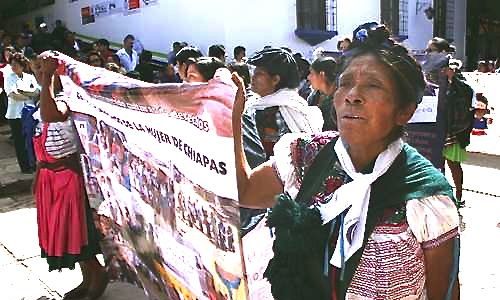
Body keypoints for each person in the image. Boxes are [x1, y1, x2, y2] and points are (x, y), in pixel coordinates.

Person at [231, 22, 460, 300]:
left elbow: (444, 292)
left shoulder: (425, 193)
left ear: (404, 111)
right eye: (346, 84)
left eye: (373, 86)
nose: (352, 96)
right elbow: (244, 192)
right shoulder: (306, 156)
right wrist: (230, 118)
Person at [37, 54, 109, 300]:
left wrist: (48, 76)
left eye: (43, 67)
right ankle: (87, 279)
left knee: (77, 231)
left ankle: (98, 275)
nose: (38, 72)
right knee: (66, 233)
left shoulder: (67, 98)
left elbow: (52, 116)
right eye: (36, 67)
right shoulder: (46, 97)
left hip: (69, 178)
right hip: (50, 178)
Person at [245, 47, 323, 158]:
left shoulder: (277, 111)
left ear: (275, 80)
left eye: (259, 73)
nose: (253, 77)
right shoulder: (257, 105)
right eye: (254, 72)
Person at [442, 58, 474, 207]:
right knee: (437, 166)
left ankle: (459, 197)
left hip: (454, 133)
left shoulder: (463, 87)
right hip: (439, 130)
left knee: (453, 165)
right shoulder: (437, 84)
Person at [4, 52, 39, 173]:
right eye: (12, 64)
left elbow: (36, 92)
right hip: (15, 114)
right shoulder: (9, 78)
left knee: (31, 139)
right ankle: (25, 167)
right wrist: (27, 95)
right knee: (19, 141)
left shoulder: (30, 77)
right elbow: (13, 95)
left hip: (30, 113)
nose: (13, 67)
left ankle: (33, 163)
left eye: (16, 64)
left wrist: (23, 93)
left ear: (22, 65)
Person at [307, 56, 338, 131]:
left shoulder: (340, 100)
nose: (308, 77)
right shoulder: (313, 97)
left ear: (322, 75)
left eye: (312, 73)